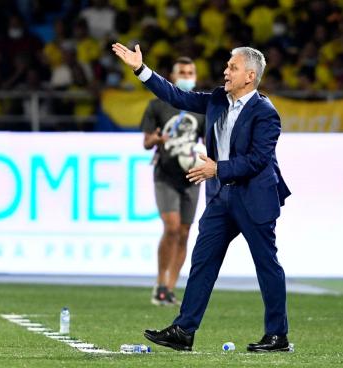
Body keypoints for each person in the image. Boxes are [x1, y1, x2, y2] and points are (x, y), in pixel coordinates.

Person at [112, 42, 291, 352]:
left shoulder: (266, 113)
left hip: (254, 197)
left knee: (266, 265)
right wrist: (141, 70)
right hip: (222, 197)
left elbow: (258, 160)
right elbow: (177, 96)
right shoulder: (220, 99)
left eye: (232, 68)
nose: (225, 71)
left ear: (250, 76)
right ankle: (184, 331)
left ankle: (277, 336)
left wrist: (217, 169)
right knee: (202, 261)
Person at [141, 57, 206, 306]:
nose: (187, 76)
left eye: (190, 72)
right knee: (171, 226)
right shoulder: (158, 105)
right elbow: (147, 142)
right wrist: (158, 139)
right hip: (165, 174)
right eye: (182, 72)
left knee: (184, 232)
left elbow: (208, 142)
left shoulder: (201, 108)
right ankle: (160, 282)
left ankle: (169, 288)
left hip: (191, 176)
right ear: (172, 74)